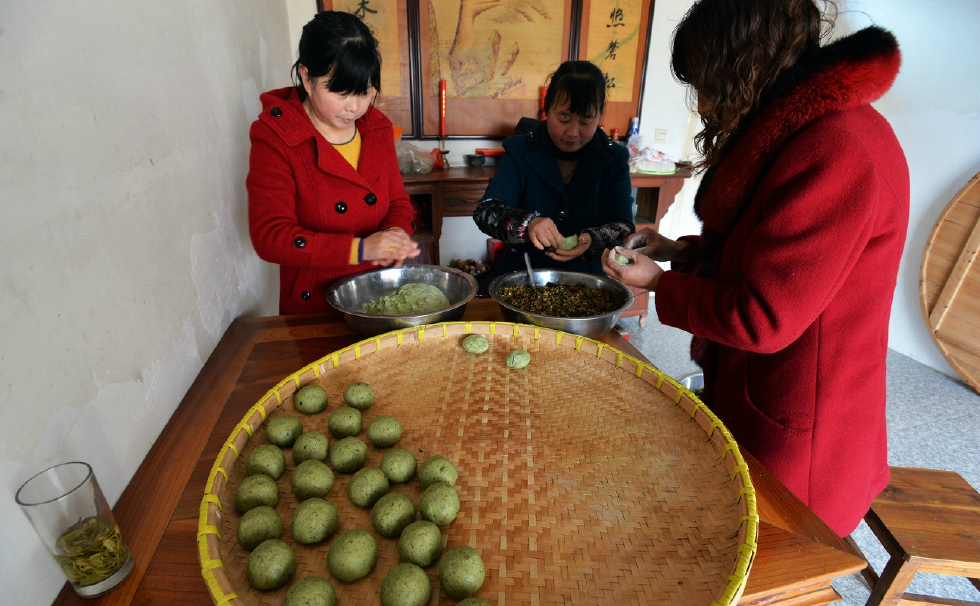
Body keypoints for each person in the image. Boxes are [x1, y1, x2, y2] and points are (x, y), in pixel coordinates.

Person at [601, 0, 909, 537]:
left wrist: (659, 284)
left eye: (704, 86)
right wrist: (681, 251)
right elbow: (767, 254)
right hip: (764, 395)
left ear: (740, 71)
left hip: (802, 430)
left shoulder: (836, 149)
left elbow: (763, 317)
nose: (702, 104)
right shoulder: (805, 130)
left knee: (759, 553)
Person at [247, 11, 419, 314]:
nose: (354, 107)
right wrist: (360, 249)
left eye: (364, 91)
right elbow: (270, 237)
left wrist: (395, 233)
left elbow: (398, 202)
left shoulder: (376, 128)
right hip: (315, 305)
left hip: (378, 293)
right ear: (306, 77)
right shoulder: (276, 136)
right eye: (340, 92)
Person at [473, 60, 634, 280]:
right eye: (564, 118)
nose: (573, 132)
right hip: (522, 276)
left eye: (586, 121)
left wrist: (592, 239)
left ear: (599, 116)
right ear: (547, 109)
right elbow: (487, 211)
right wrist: (528, 224)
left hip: (588, 281)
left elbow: (624, 228)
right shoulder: (520, 149)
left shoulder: (614, 158)